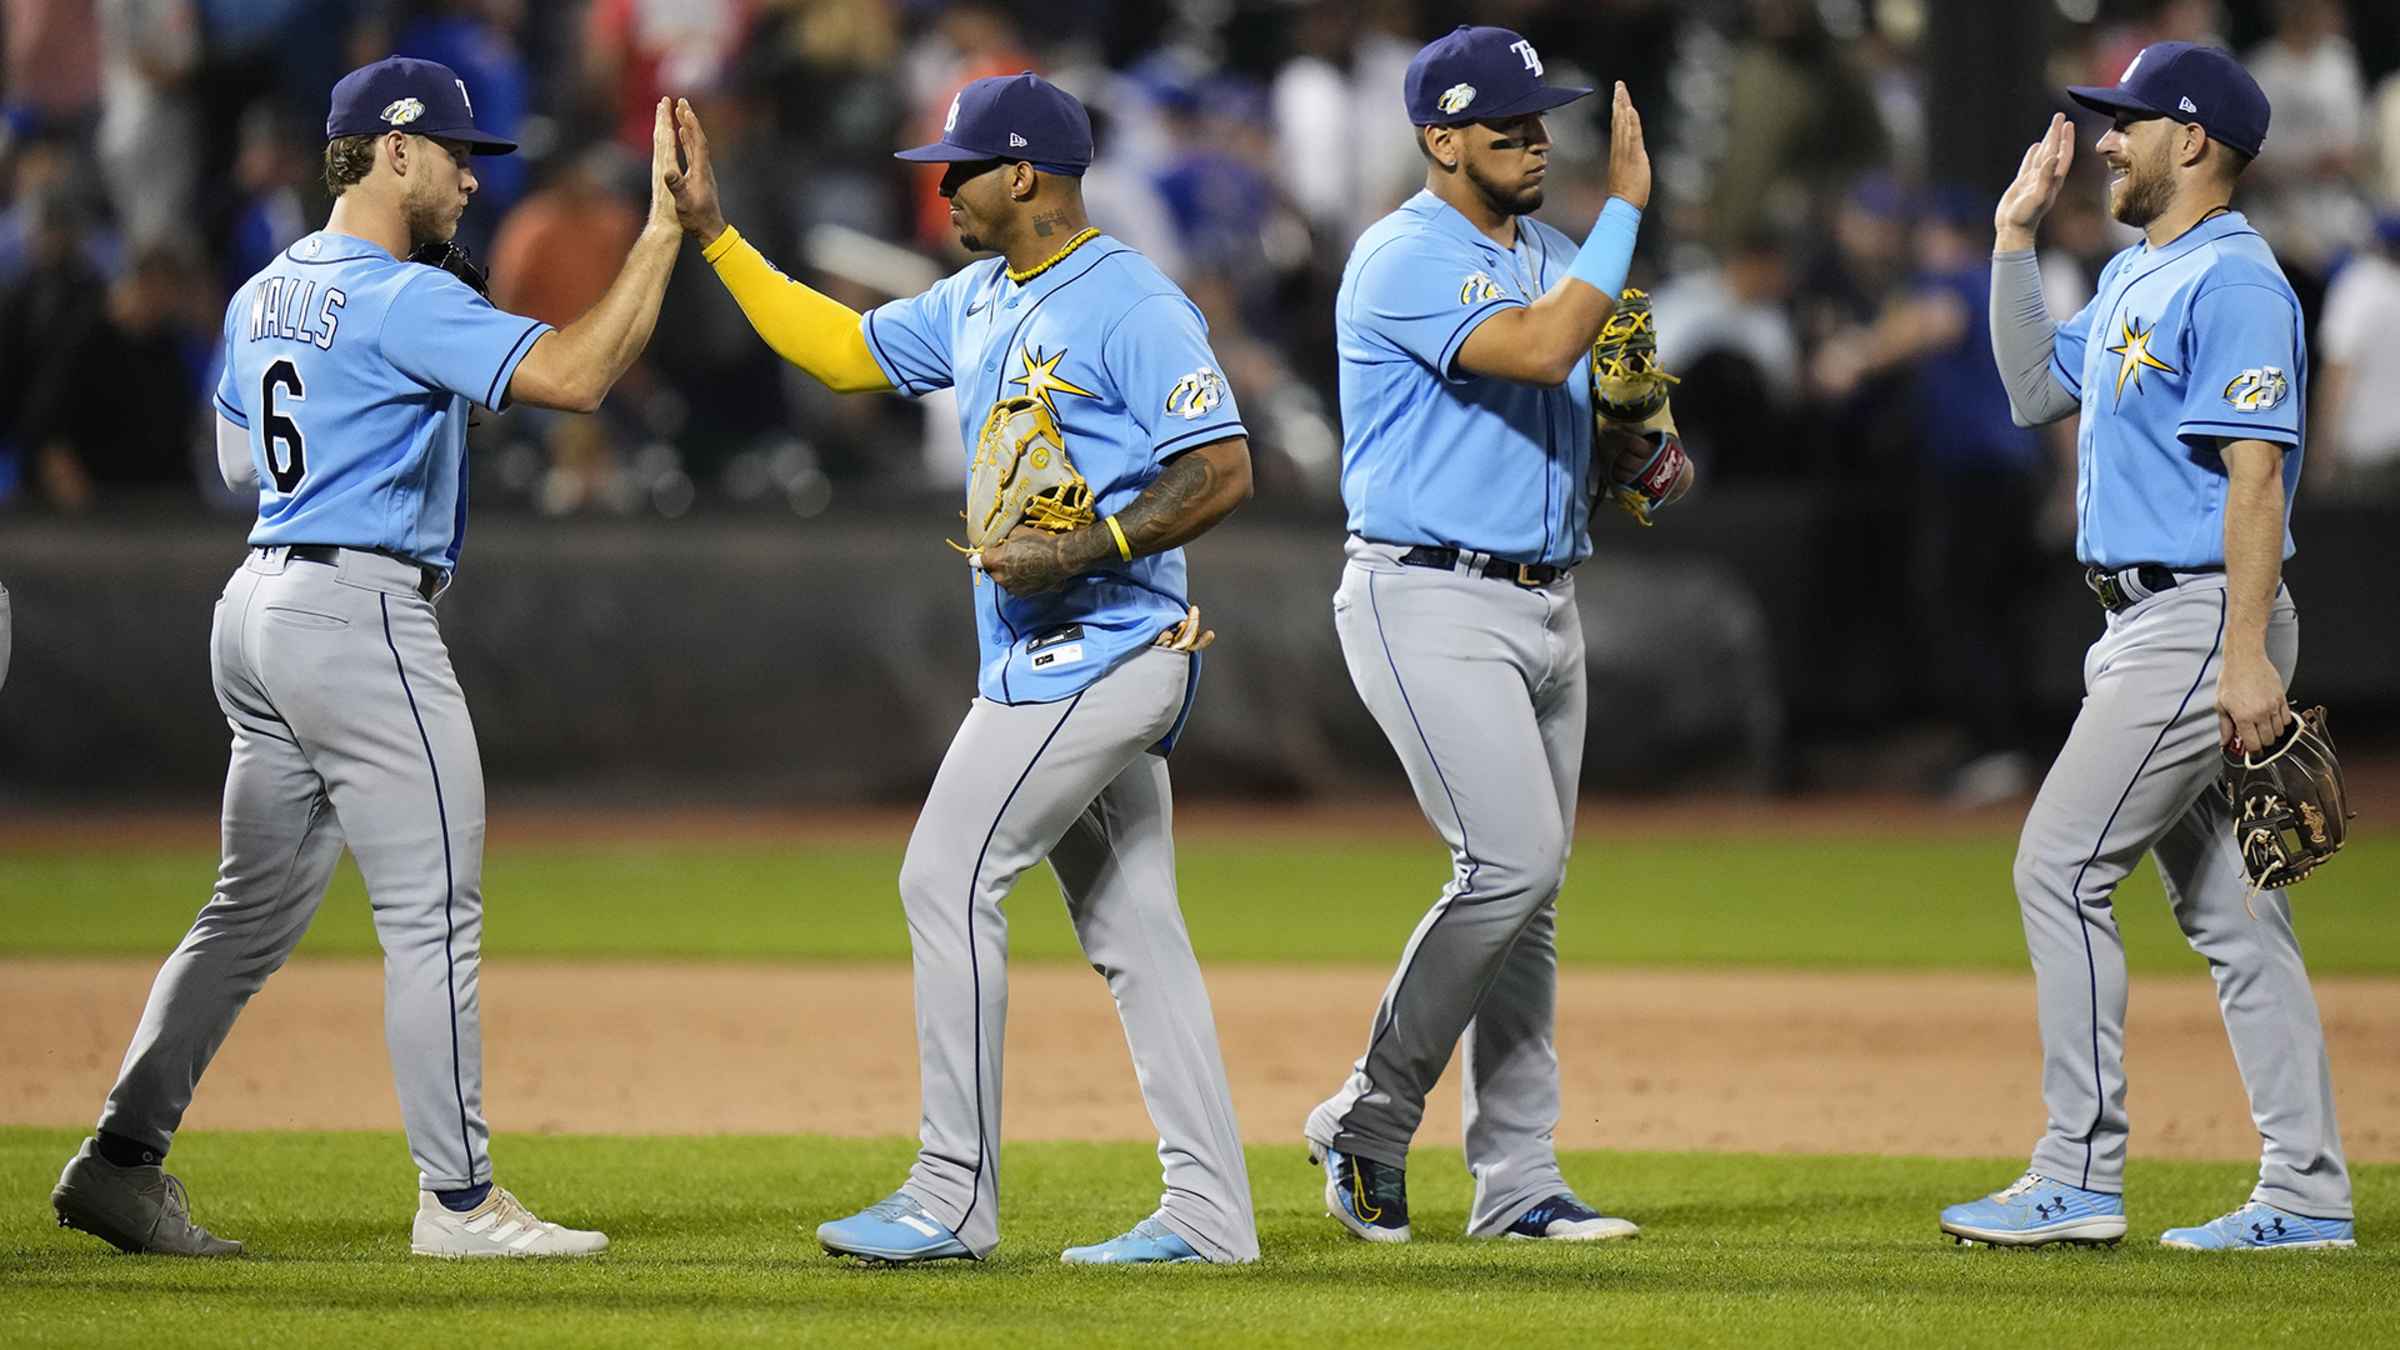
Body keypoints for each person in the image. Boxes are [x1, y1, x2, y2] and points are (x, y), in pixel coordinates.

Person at [48, 56, 693, 1259]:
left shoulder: (256, 295)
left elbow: (242, 469)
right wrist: (661, 231)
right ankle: (459, 1203)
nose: (468, 177)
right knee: (431, 913)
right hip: (358, 614)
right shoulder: (404, 299)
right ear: (391, 151)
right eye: (454, 153)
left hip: (256, 606)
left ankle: (121, 1161)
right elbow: (583, 373)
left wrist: (381, 400)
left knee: (245, 914)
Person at [669, 75, 1260, 1266]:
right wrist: (717, 240)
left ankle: (951, 1196)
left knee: (945, 876)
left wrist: (1083, 545)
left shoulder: (1132, 302)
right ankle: (1209, 1216)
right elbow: (840, 350)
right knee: (1136, 929)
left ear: (1027, 174)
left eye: (961, 167)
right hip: (1047, 655)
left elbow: (1225, 469)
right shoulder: (980, 297)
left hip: (1105, 648)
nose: (941, 187)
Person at [1940, 42, 2354, 1252]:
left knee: (2056, 870)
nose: (2107, 139)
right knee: (2235, 918)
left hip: (2194, 617)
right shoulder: (2139, 270)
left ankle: (2076, 1173)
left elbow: (2258, 478)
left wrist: (2242, 655)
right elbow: (2030, 389)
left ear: (2197, 142)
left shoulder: (2234, 283)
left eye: (2130, 121)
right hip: (2147, 623)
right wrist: (2013, 239)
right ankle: (2309, 1191)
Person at [1306, 26, 1686, 1246]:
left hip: (1546, 597)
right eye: (1509, 123)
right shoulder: (1402, 255)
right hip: (1427, 596)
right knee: (1509, 865)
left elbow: (1636, 447)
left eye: (1541, 120)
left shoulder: (1560, 255)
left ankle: (1518, 1181)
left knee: (1535, 897)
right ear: (1442, 138)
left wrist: (1643, 450)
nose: (1536, 138)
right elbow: (1536, 348)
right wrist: (1630, 210)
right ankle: (1370, 1110)